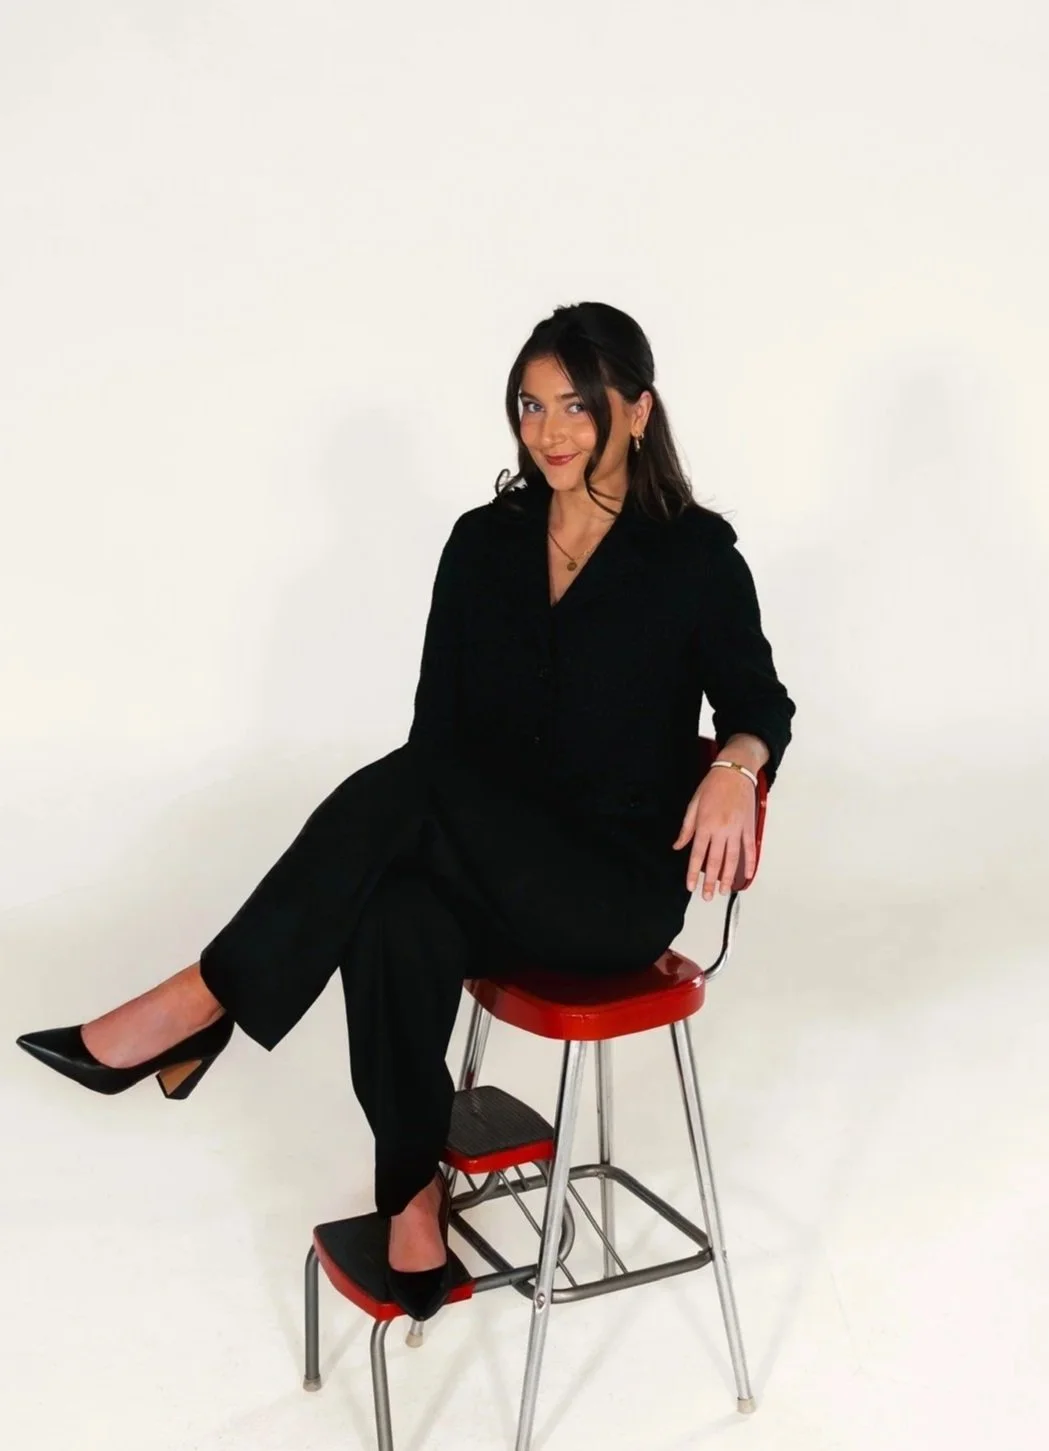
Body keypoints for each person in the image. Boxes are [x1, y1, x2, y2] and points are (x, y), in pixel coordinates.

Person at [16, 300, 796, 1322]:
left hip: (607, 887)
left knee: (410, 789)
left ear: (637, 411)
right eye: (529, 405)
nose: (549, 430)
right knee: (393, 906)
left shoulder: (692, 557)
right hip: (488, 862)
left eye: (576, 404)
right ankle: (410, 1190)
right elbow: (442, 736)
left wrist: (737, 761)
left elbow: (758, 704)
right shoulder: (482, 543)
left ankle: (200, 1003)